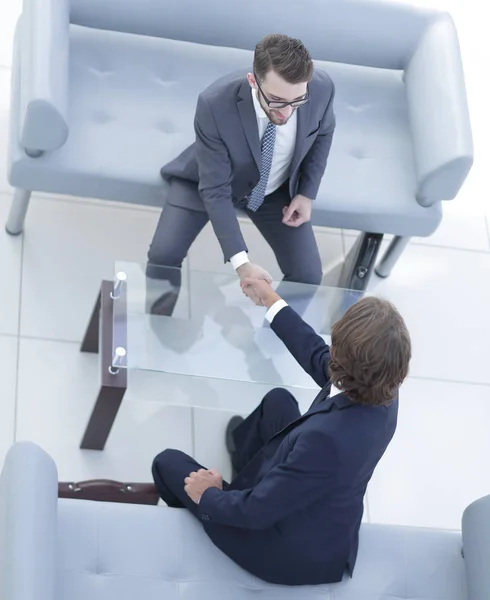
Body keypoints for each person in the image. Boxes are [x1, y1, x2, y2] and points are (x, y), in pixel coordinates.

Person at [152, 279, 412, 586]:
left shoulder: (326, 442)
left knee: (167, 463)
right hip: (313, 494)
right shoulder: (383, 388)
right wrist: (271, 301)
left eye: (335, 344)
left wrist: (207, 496)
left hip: (282, 546)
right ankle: (242, 457)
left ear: (344, 359)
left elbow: (256, 511)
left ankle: (193, 522)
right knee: (279, 401)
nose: (329, 347)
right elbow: (316, 353)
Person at [146, 33, 336, 315]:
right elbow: (215, 190)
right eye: (276, 100)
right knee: (162, 255)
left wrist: (306, 192)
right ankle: (156, 325)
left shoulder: (321, 89)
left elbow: (324, 132)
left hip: (275, 191)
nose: (286, 113)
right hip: (208, 181)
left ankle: (273, 343)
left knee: (308, 276)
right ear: (253, 82)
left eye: (297, 101)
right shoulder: (214, 103)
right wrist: (241, 262)